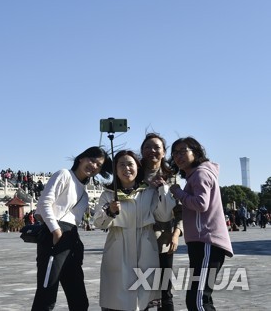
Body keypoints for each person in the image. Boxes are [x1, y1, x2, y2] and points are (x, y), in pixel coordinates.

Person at [31, 146, 112, 311]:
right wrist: (55, 230)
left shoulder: (85, 192)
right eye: (92, 160)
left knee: (79, 299)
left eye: (99, 165)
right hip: (55, 237)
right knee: (46, 296)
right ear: (81, 158)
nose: (94, 166)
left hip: (72, 240)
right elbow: (44, 203)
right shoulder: (64, 175)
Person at [93, 150, 175, 311]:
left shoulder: (149, 192)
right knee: (117, 297)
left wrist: (163, 190)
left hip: (145, 247)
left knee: (143, 298)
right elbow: (99, 223)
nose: (126, 168)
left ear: (138, 167)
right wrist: (109, 211)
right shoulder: (108, 194)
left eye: (130, 164)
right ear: (115, 170)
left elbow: (164, 216)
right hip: (118, 249)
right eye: (121, 165)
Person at [169, 137, 234, 311]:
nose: (178, 156)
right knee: (202, 297)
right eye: (175, 153)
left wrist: (178, 192)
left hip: (207, 241)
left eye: (183, 151)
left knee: (197, 300)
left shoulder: (200, 173)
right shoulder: (195, 175)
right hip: (203, 242)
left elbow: (200, 204)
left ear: (195, 152)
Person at [140, 133, 183, 311]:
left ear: (164, 153)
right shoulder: (135, 173)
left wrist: (176, 234)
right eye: (148, 147)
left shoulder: (170, 177)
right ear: (142, 151)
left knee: (165, 289)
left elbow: (180, 209)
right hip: (139, 239)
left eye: (157, 147)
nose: (152, 151)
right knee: (140, 286)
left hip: (164, 240)